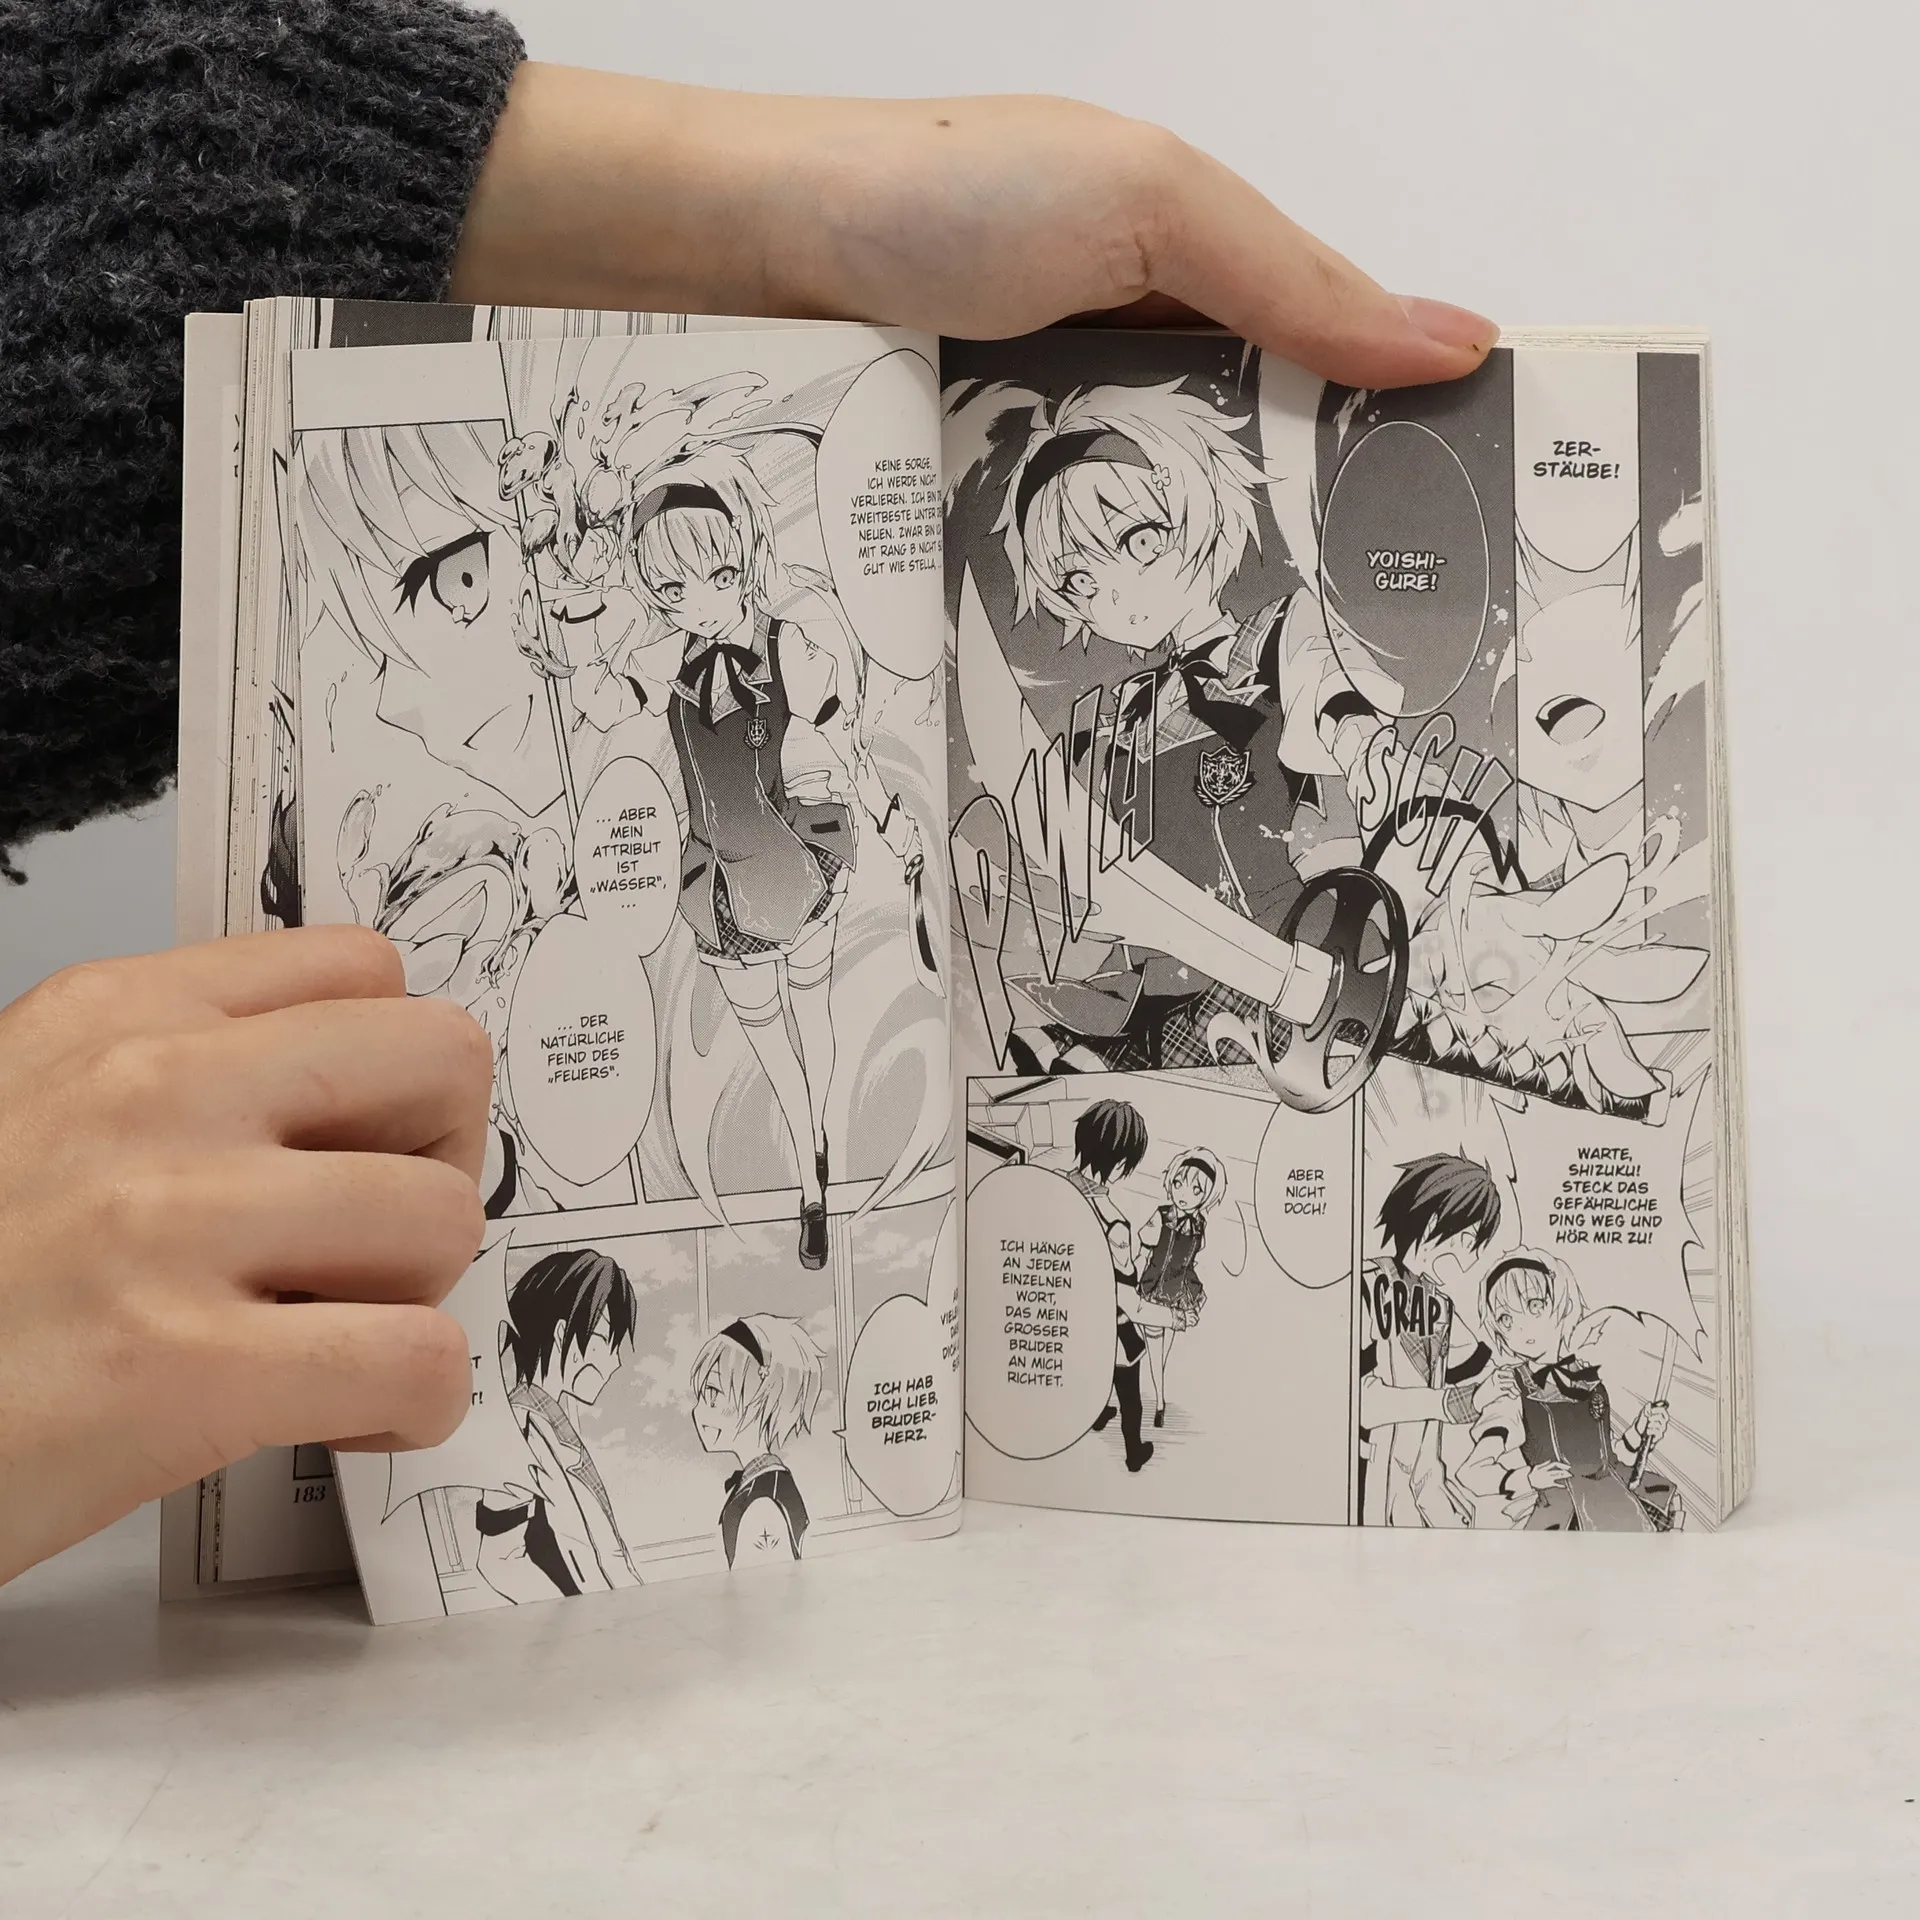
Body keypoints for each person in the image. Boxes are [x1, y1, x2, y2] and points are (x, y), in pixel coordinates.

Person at [0, 0, 1494, 1585]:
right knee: (796, 1038)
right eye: (1075, 572)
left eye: (1132, 541)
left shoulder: (1203, 668)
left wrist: (789, 217)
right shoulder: (706, 676)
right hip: (747, 879)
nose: (1109, 585)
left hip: (869, 871)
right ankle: (817, 1182)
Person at [1455, 1253, 1675, 1532]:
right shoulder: (1513, 1391)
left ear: (1562, 1303)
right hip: (1566, 1520)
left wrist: (1640, 1431)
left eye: (1534, 1305)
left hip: (1619, 1507)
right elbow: (1470, 1472)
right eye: (1505, 1318)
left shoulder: (1586, 1378)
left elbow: (1612, 1461)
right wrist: (1529, 1479)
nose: (1521, 1326)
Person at [474, 1246, 641, 1602]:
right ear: (563, 1333)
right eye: (606, 1341)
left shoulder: (550, 1423)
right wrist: (569, 1610)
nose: (614, 1362)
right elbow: (497, 1559)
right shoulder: (518, 1430)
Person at [1357, 1153, 1505, 1528]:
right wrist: (1450, 1404)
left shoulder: (1440, 1308)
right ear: (1433, 1222)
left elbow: (1427, 1453)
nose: (1470, 1260)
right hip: (1360, 1487)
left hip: (1406, 1503)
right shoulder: (1365, 1287)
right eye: (1468, 1241)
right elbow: (1354, 1401)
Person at [1063, 1098, 1160, 1473]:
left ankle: (1097, 1411)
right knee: (1130, 1391)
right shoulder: (1115, 1224)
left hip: (1075, 1312)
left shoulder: (1058, 1188)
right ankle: (1134, 1452)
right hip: (1113, 1324)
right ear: (1120, 1165)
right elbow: (1128, 1298)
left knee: (1091, 1367)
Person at [687, 1314, 828, 1568]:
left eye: (713, 1393)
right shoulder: (761, 1484)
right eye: (701, 1395)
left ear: (761, 1398)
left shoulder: (763, 1502)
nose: (698, 1411)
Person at [1133, 1147, 1228, 1429]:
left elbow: (1191, 1258)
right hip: (1152, 1288)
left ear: (1207, 1195)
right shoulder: (1162, 1216)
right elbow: (1143, 1249)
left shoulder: (1199, 1225)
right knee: (1154, 1349)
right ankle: (1159, 1400)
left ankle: (1157, 1398)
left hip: (1176, 1294)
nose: (1184, 1193)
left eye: (1196, 1190)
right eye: (1178, 1183)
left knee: (1160, 1351)